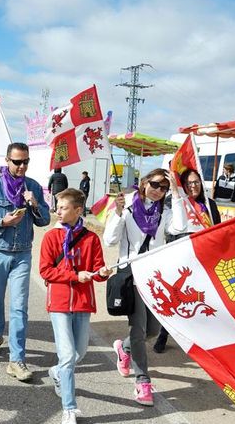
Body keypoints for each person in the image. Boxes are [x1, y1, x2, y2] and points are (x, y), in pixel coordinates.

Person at [0, 142, 50, 381]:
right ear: (7, 161)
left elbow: (45, 220)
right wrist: (1, 222)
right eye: (17, 161)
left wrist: (35, 204)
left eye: (25, 161)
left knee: (19, 308)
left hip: (22, 254)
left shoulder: (33, 187)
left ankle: (17, 360)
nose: (22, 166)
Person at [103, 168, 172, 407]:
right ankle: (142, 381)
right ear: (143, 183)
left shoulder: (166, 212)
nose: (158, 191)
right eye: (155, 185)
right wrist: (118, 212)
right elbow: (110, 240)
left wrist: (180, 195)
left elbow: (180, 225)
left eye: (164, 188)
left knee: (152, 330)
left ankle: (123, 348)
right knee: (139, 327)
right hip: (132, 275)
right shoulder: (129, 210)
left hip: (155, 278)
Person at [40, 188, 109, 424]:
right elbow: (46, 270)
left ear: (78, 210)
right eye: (57, 207)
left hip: (82, 303)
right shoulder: (51, 237)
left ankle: (57, 372)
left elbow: (98, 271)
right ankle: (69, 408)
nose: (58, 211)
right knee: (68, 355)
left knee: (80, 353)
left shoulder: (92, 239)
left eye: (63, 208)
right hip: (59, 303)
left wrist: (103, 273)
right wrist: (74, 275)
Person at [153, 168, 222, 353]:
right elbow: (169, 231)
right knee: (174, 300)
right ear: (184, 185)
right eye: (189, 183)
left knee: (203, 301)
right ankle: (163, 334)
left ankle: (202, 342)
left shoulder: (209, 205)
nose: (194, 186)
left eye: (196, 182)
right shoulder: (175, 202)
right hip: (180, 259)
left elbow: (218, 230)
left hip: (203, 260)